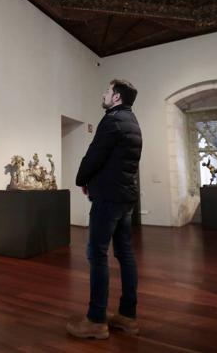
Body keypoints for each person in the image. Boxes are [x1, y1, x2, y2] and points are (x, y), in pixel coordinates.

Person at [67, 79, 143, 339]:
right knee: (125, 254)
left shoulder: (112, 120)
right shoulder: (132, 121)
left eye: (108, 91)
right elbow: (116, 161)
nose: (104, 93)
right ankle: (128, 316)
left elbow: (95, 154)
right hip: (124, 197)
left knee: (97, 254)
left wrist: (81, 179)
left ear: (117, 97)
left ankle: (97, 319)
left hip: (109, 198)